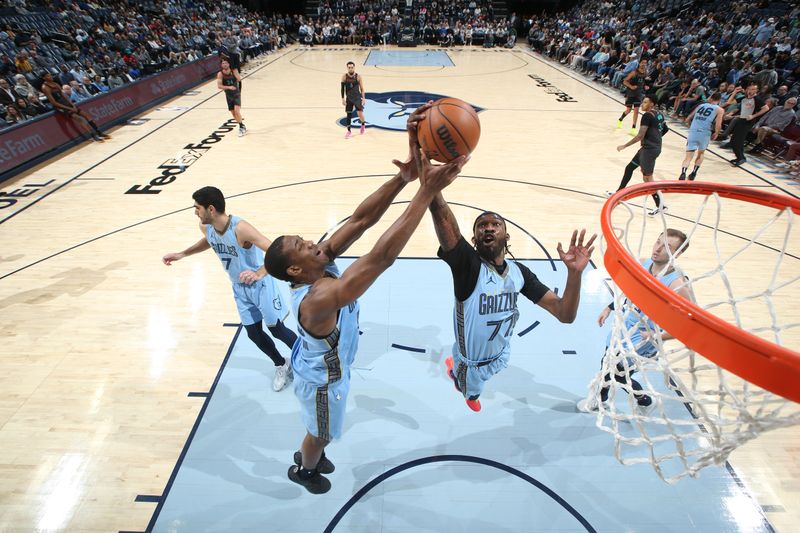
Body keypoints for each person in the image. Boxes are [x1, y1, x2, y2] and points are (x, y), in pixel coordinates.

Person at [265, 104, 467, 494]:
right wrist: (426, 192)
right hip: (322, 381)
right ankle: (306, 469)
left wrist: (404, 177)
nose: (310, 241)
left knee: (321, 429)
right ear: (295, 270)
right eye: (299, 245)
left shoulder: (318, 262)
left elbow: (360, 221)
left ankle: (312, 451)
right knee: (319, 433)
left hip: (325, 363)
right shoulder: (318, 298)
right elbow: (381, 258)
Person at [428, 201, 595, 411]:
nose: (488, 227)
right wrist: (433, 188)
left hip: (502, 353)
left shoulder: (519, 273)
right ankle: (458, 377)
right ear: (474, 240)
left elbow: (565, 314)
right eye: (482, 225)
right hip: (472, 365)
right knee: (471, 392)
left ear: (506, 237)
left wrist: (574, 273)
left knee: (493, 363)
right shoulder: (468, 267)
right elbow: (443, 219)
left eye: (495, 224)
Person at [162, 187, 298, 391]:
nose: (195, 212)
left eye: (197, 208)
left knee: (277, 330)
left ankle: (310, 362)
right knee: (253, 333)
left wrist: (259, 273)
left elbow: (275, 252)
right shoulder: (205, 227)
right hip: (239, 287)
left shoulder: (240, 228)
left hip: (260, 285)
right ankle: (282, 364)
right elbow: (210, 241)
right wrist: (183, 254)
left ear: (211, 208)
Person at [578, 229, 691, 414]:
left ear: (677, 254)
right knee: (607, 364)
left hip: (643, 339)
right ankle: (629, 400)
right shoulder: (644, 263)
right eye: (658, 242)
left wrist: (659, 335)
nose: (658, 249)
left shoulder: (677, 284)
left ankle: (635, 400)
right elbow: (631, 291)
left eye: (667, 247)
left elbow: (688, 325)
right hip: (625, 327)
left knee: (616, 372)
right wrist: (609, 307)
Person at [610, 96, 669, 216]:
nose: (642, 104)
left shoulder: (647, 116)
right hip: (649, 148)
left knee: (648, 179)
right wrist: (656, 138)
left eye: (646, 102)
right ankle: (619, 192)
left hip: (649, 150)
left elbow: (640, 135)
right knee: (630, 167)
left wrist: (624, 145)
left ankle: (661, 205)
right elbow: (665, 129)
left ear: (652, 104)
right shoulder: (659, 114)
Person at [40, 72, 110, 142]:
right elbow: (54, 103)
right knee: (79, 119)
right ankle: (93, 136)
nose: (50, 77)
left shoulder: (56, 84)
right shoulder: (45, 87)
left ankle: (98, 132)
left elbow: (63, 95)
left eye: (50, 75)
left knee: (86, 115)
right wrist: (69, 108)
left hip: (67, 103)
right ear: (44, 78)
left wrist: (71, 104)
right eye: (48, 76)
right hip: (61, 107)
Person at [680, 92, 724, 181]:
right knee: (701, 153)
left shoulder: (701, 106)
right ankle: (693, 173)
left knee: (688, 156)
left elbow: (688, 118)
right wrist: (716, 133)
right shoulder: (719, 109)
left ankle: (683, 173)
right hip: (704, 133)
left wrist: (690, 125)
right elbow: (718, 124)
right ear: (719, 100)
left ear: (711, 98)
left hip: (694, 131)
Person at [727, 83, 770, 166]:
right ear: (747, 89)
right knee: (733, 140)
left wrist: (754, 115)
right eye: (750, 89)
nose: (751, 91)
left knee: (738, 141)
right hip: (741, 119)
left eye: (754, 89)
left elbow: (766, 108)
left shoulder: (757, 99)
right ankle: (739, 157)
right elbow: (729, 102)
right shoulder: (744, 98)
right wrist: (735, 92)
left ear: (757, 90)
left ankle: (741, 158)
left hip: (748, 121)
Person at [618, 58, 648, 135]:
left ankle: (633, 127)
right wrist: (631, 86)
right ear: (639, 63)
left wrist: (645, 86)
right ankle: (620, 119)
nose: (644, 64)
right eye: (643, 63)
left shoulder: (645, 72)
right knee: (628, 110)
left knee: (636, 110)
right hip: (631, 93)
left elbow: (643, 82)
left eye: (645, 63)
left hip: (639, 94)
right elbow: (624, 81)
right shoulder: (634, 72)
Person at [217, 59, 245, 137]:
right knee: (233, 113)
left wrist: (239, 91)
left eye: (226, 63)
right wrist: (228, 87)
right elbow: (219, 86)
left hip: (236, 94)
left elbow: (239, 80)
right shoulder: (220, 74)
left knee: (236, 111)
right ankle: (242, 124)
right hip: (228, 95)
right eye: (223, 63)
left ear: (229, 64)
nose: (224, 64)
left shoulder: (234, 71)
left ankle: (241, 128)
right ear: (221, 65)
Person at [341, 61, 366, 138]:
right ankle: (349, 131)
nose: (350, 69)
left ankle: (363, 124)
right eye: (349, 67)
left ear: (354, 67)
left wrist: (364, 98)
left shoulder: (358, 76)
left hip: (357, 97)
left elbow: (362, 88)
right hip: (349, 98)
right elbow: (342, 89)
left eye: (352, 67)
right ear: (347, 68)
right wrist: (343, 99)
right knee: (348, 114)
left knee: (359, 113)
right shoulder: (344, 76)